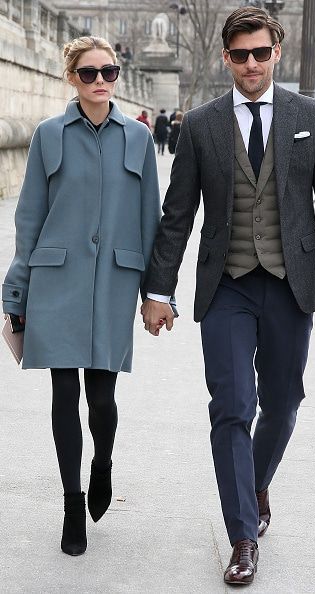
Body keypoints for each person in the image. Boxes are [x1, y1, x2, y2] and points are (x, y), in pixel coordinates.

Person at [141, 7, 315, 586]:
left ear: (277, 53)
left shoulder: (310, 116)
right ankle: (241, 535)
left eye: (261, 53)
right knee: (232, 408)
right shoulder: (202, 124)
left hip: (291, 285)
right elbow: (177, 214)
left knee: (283, 404)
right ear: (226, 58)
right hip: (226, 286)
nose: (252, 63)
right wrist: (157, 290)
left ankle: (255, 484)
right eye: (241, 55)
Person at [2, 36, 160, 556]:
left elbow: (150, 220)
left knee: (103, 398)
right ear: (71, 77)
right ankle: (73, 503)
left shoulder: (138, 140)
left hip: (115, 280)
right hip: (56, 281)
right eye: (88, 73)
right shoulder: (49, 135)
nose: (99, 82)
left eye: (109, 72)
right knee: (63, 396)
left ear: (117, 76)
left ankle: (102, 463)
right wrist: (17, 294)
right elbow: (30, 217)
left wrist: (155, 293)